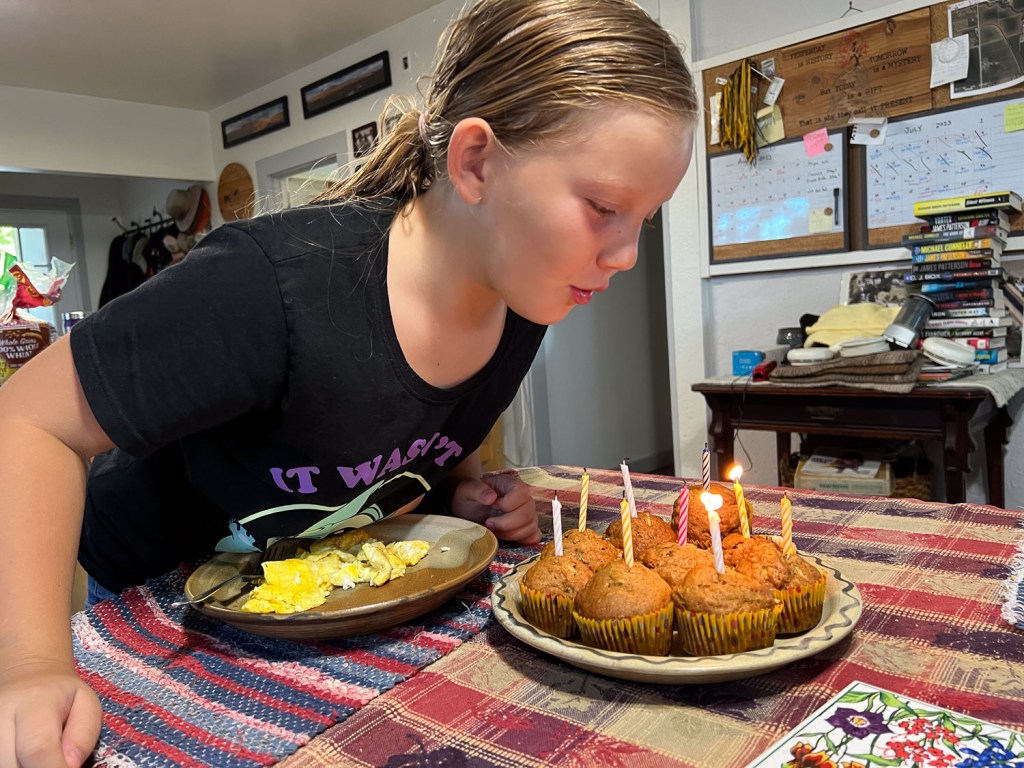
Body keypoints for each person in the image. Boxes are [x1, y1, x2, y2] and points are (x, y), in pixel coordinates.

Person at [0, 0, 698, 764]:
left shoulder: (525, 299)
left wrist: (460, 481)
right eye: (603, 208)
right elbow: (27, 421)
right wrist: (30, 668)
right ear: (475, 163)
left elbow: (405, 412)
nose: (627, 256)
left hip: (330, 601)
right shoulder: (264, 288)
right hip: (161, 604)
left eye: (647, 218)